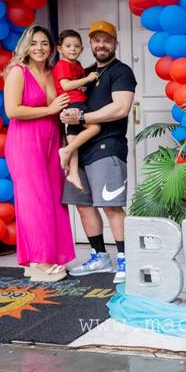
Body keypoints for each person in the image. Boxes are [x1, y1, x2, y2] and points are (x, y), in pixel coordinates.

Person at [61, 20, 136, 284]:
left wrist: (82, 118)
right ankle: (99, 257)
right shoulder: (86, 74)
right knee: (83, 206)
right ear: (90, 44)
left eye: (107, 40)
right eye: (96, 40)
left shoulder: (121, 72)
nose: (101, 45)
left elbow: (120, 108)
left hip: (108, 146)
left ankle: (126, 260)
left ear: (115, 44)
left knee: (111, 207)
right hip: (81, 148)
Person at [3, 25, 75, 282]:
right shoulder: (18, 72)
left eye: (44, 43)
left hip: (52, 141)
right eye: (34, 43)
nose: (39, 48)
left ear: (51, 47)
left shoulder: (53, 73)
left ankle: (43, 257)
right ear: (26, 46)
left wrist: (67, 140)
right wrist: (50, 109)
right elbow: (12, 110)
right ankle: (40, 262)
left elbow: (60, 110)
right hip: (25, 143)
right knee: (35, 201)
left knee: (54, 200)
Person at [52, 29, 100, 191]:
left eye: (77, 46)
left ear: (82, 49)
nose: (73, 49)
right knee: (95, 127)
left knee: (74, 140)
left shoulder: (77, 65)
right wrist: (87, 79)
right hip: (73, 104)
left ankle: (73, 174)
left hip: (77, 102)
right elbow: (65, 85)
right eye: (68, 46)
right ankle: (65, 151)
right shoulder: (63, 65)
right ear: (60, 49)